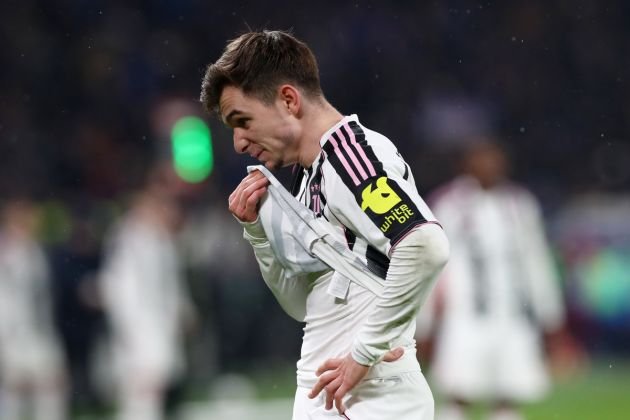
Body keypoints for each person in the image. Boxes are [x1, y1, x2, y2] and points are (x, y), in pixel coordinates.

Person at [200, 30, 450, 419]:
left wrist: (363, 354)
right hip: (333, 391)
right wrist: (258, 236)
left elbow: (425, 245)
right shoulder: (309, 175)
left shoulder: (349, 156)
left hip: (371, 396)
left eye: (242, 120)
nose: (238, 143)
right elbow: (303, 305)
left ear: (288, 100)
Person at [415, 140, 581, 420]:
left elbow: (536, 261)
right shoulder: (449, 204)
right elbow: (432, 262)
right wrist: (424, 322)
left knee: (509, 395)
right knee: (458, 392)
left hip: (512, 314)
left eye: (494, 160)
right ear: (466, 165)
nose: (489, 166)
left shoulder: (520, 205)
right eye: (481, 160)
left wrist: (551, 317)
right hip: (464, 316)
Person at [99, 164, 195, 420]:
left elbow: (171, 283)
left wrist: (181, 309)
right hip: (140, 327)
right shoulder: (129, 237)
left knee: (158, 386)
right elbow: (118, 287)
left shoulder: (161, 239)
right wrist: (130, 329)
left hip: (160, 324)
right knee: (143, 388)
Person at [0, 198, 68, 420]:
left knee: (51, 385)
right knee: (17, 387)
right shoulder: (7, 252)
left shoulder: (35, 251)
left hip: (39, 330)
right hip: (15, 333)